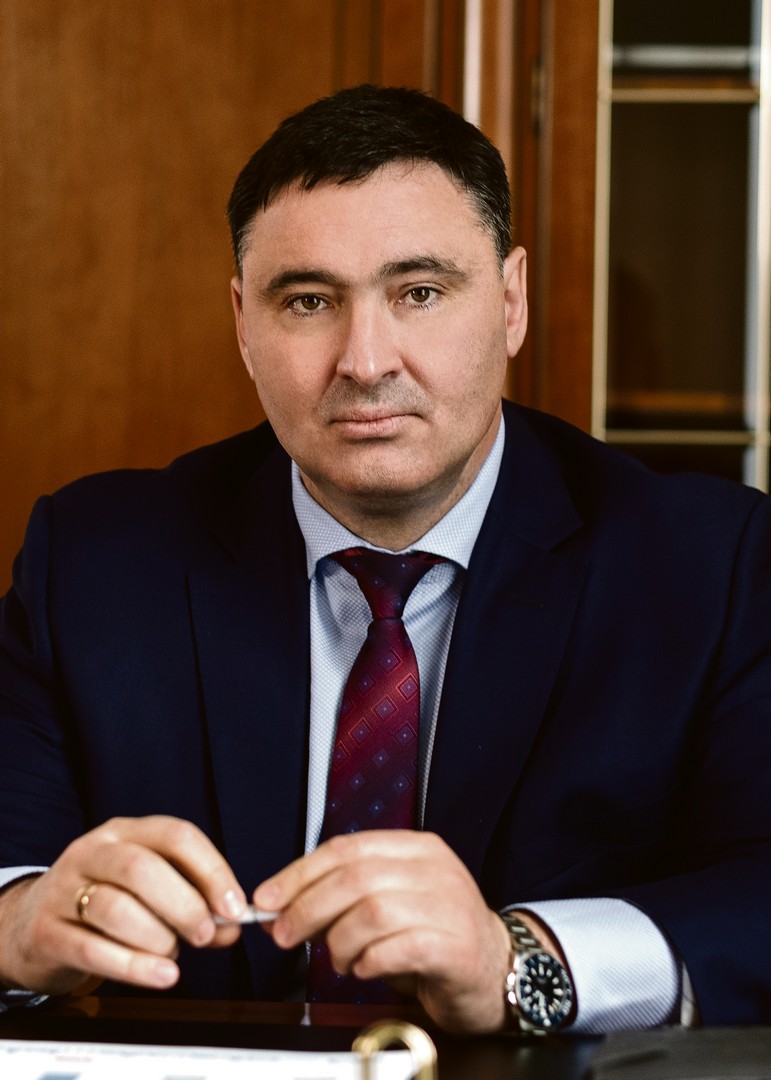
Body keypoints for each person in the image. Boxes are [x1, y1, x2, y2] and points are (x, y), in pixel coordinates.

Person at [1, 84, 771, 1035]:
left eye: (419, 293)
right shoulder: (93, 562)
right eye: (308, 301)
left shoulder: (713, 567)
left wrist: (519, 960)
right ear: (243, 324)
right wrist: (18, 921)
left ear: (511, 301)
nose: (365, 361)